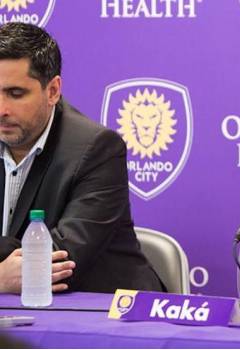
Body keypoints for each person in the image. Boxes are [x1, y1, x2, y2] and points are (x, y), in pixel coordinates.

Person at [0, 22, 164, 293]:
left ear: (52, 91)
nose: (2, 109)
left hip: (105, 315)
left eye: (16, 94)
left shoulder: (97, 149)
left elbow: (60, 259)